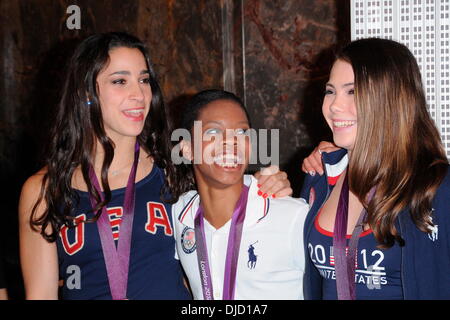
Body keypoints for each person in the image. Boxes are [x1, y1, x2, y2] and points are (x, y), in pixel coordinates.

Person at [19, 32, 291, 300]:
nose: (138, 94)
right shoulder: (43, 190)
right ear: (86, 92)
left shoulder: (173, 170)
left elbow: (235, 213)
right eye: (120, 81)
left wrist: (267, 185)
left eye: (144, 80)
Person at [299, 38, 450, 300]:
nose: (334, 105)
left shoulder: (437, 187)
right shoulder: (320, 178)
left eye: (352, 91)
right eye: (330, 91)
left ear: (390, 98)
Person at [172, 89, 308, 300]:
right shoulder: (179, 215)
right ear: (188, 149)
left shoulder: (293, 218)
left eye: (242, 132)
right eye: (213, 132)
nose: (231, 143)